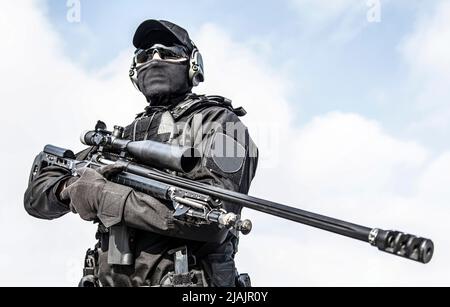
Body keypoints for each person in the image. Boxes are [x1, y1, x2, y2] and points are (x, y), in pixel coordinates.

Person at [24, 19, 258, 287]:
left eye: (168, 52)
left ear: (193, 65)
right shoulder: (120, 138)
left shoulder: (225, 125)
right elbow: (35, 197)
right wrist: (71, 189)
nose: (155, 58)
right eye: (145, 55)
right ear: (135, 71)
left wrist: (104, 197)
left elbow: (213, 219)